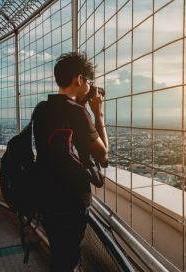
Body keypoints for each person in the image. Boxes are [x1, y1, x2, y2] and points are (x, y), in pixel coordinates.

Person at [33, 51, 108, 272]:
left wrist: (82, 106)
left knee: (59, 252)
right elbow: (103, 156)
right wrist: (98, 113)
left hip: (46, 195)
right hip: (71, 200)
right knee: (69, 257)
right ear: (79, 79)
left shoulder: (42, 109)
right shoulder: (78, 114)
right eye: (88, 81)